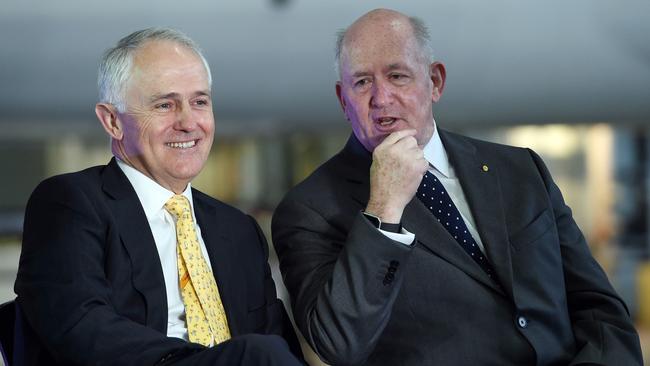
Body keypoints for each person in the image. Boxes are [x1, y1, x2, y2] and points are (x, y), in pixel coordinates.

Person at [272, 8, 643, 365]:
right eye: (362, 82)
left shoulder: (521, 170)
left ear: (435, 82)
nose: (381, 98)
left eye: (397, 76)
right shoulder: (310, 210)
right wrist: (384, 208)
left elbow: (600, 310)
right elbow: (339, 344)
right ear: (343, 99)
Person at [15, 28, 304, 366]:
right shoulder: (71, 203)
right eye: (165, 105)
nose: (188, 122)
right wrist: (215, 360)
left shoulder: (238, 229)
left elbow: (279, 345)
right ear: (112, 121)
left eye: (199, 102)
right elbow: (81, 328)